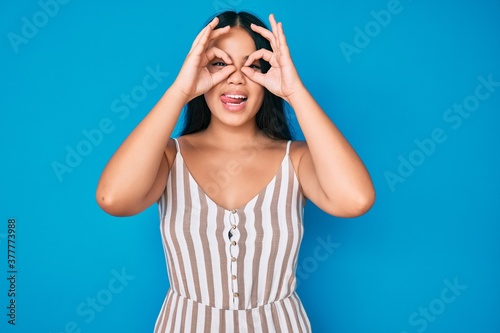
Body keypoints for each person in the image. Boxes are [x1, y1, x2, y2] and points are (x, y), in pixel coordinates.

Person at [96, 10, 375, 332]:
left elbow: (355, 201)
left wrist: (295, 92)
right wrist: (180, 91)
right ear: (199, 66)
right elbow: (112, 199)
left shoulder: (296, 159)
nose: (236, 77)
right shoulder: (170, 157)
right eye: (220, 63)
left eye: (253, 64)